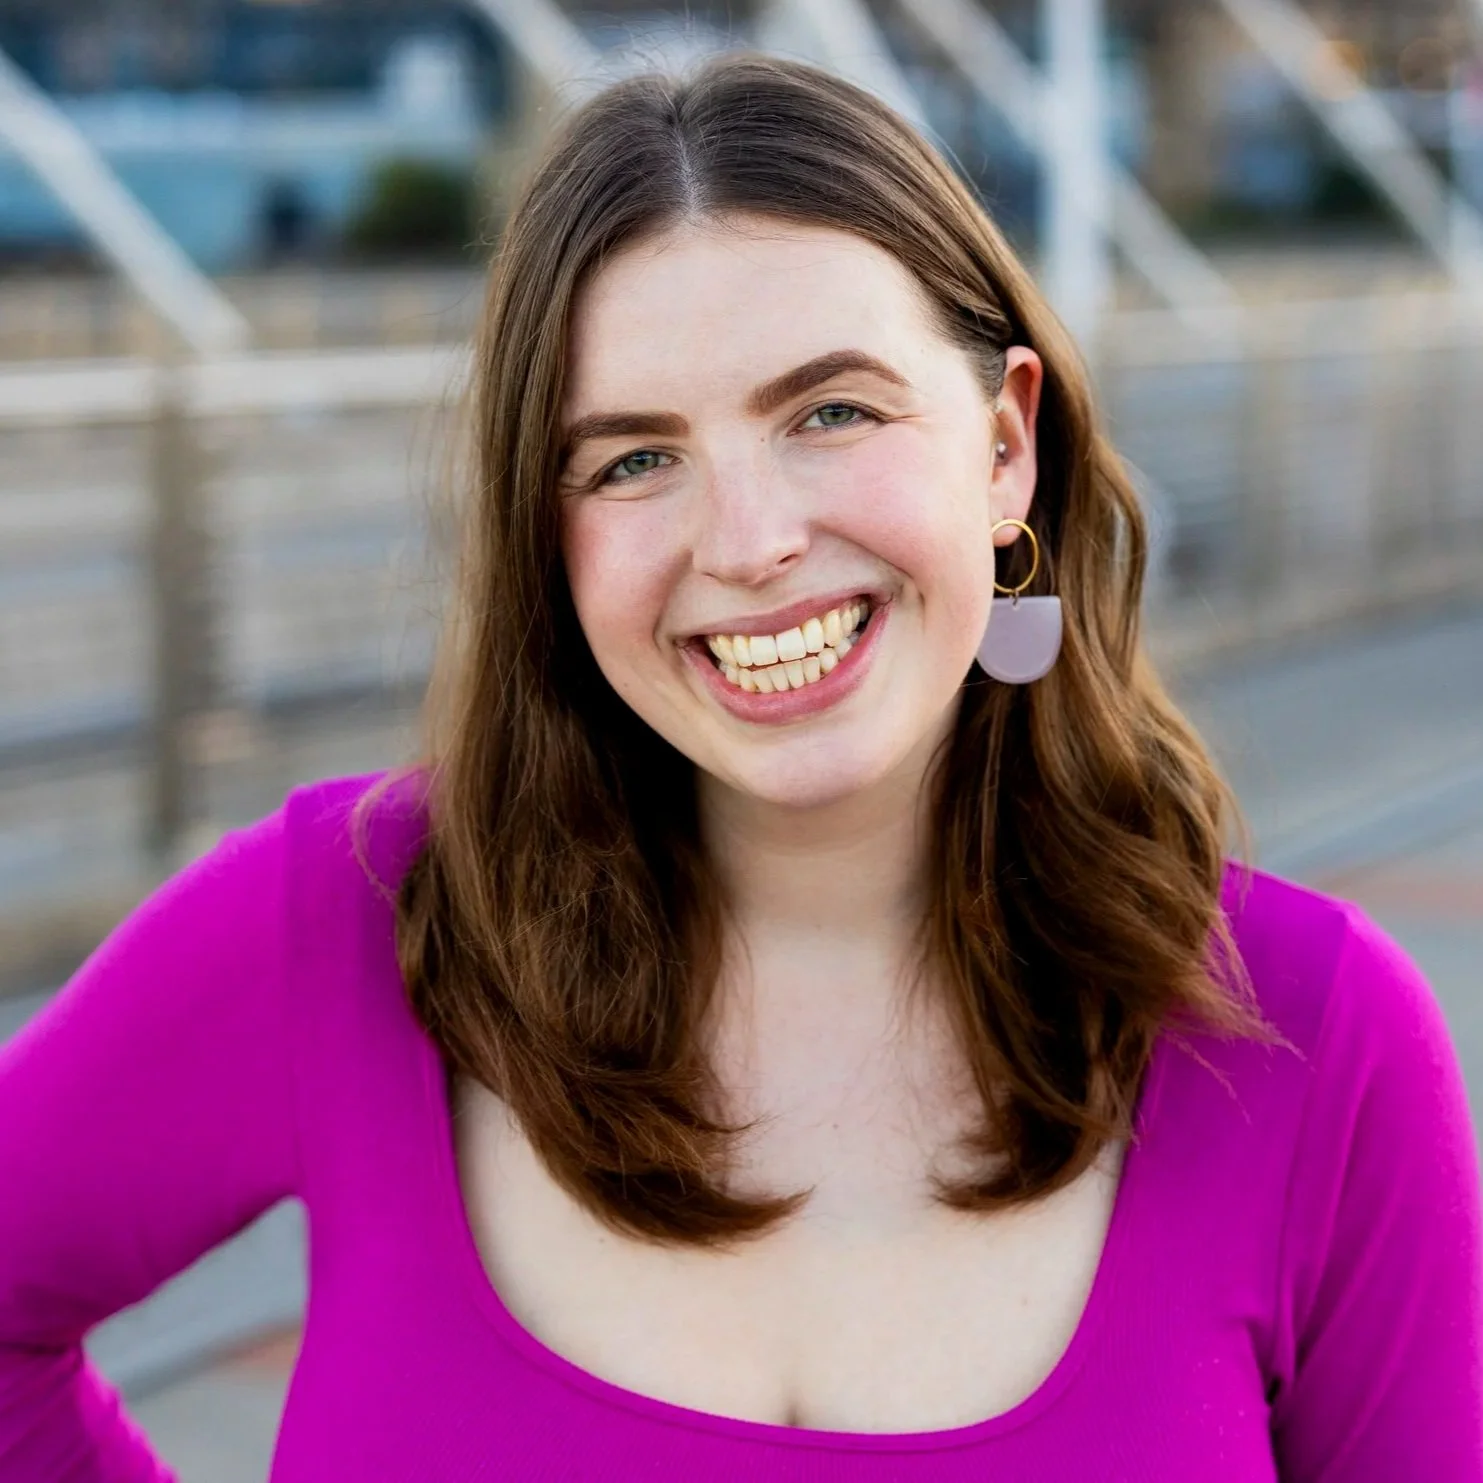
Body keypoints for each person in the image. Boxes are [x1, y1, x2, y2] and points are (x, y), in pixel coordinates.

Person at [2, 53, 1480, 1482]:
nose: (749, 540)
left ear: (1004, 444)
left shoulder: (1315, 1044)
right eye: (633, 459)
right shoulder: (341, 928)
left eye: (829, 410)